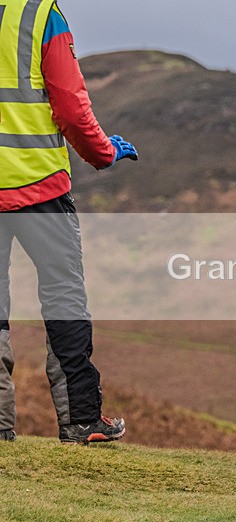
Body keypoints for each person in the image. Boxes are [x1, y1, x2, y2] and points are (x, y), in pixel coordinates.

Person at [0, 0, 138, 444]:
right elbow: (71, 107)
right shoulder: (41, 15)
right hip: (41, 187)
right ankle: (80, 419)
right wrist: (105, 152)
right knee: (64, 300)